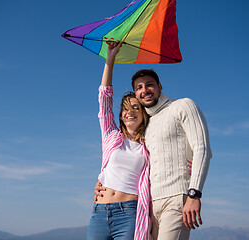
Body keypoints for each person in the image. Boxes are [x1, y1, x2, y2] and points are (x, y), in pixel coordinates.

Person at [95, 52, 212, 240]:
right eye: (139, 87)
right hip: (148, 206)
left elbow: (202, 149)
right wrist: (104, 179)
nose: (145, 90)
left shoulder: (182, 105)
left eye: (149, 84)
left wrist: (194, 194)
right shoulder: (146, 127)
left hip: (177, 198)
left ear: (159, 86)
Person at [87, 41, 152, 240]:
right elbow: (104, 98)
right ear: (121, 115)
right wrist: (110, 59)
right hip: (99, 212)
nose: (130, 112)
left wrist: (189, 163)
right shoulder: (111, 136)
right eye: (125, 108)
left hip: (129, 214)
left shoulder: (149, 144)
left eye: (135, 107)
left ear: (143, 114)